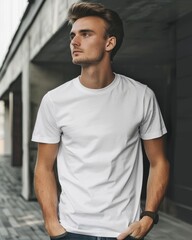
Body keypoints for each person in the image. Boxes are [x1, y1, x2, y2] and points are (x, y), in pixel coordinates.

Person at [32, 2, 170, 240]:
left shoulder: (141, 96)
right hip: (71, 231)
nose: (74, 42)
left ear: (110, 43)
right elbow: (44, 167)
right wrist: (52, 224)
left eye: (85, 34)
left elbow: (159, 162)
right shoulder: (55, 100)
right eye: (73, 35)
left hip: (124, 232)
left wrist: (149, 216)